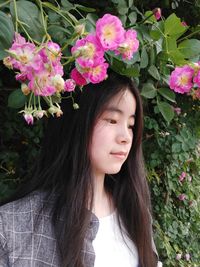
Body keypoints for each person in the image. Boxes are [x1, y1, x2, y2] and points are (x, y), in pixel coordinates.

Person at [0, 71, 162, 267]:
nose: (126, 136)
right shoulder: (14, 226)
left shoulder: (135, 213)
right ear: (77, 122)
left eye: (130, 125)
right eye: (112, 120)